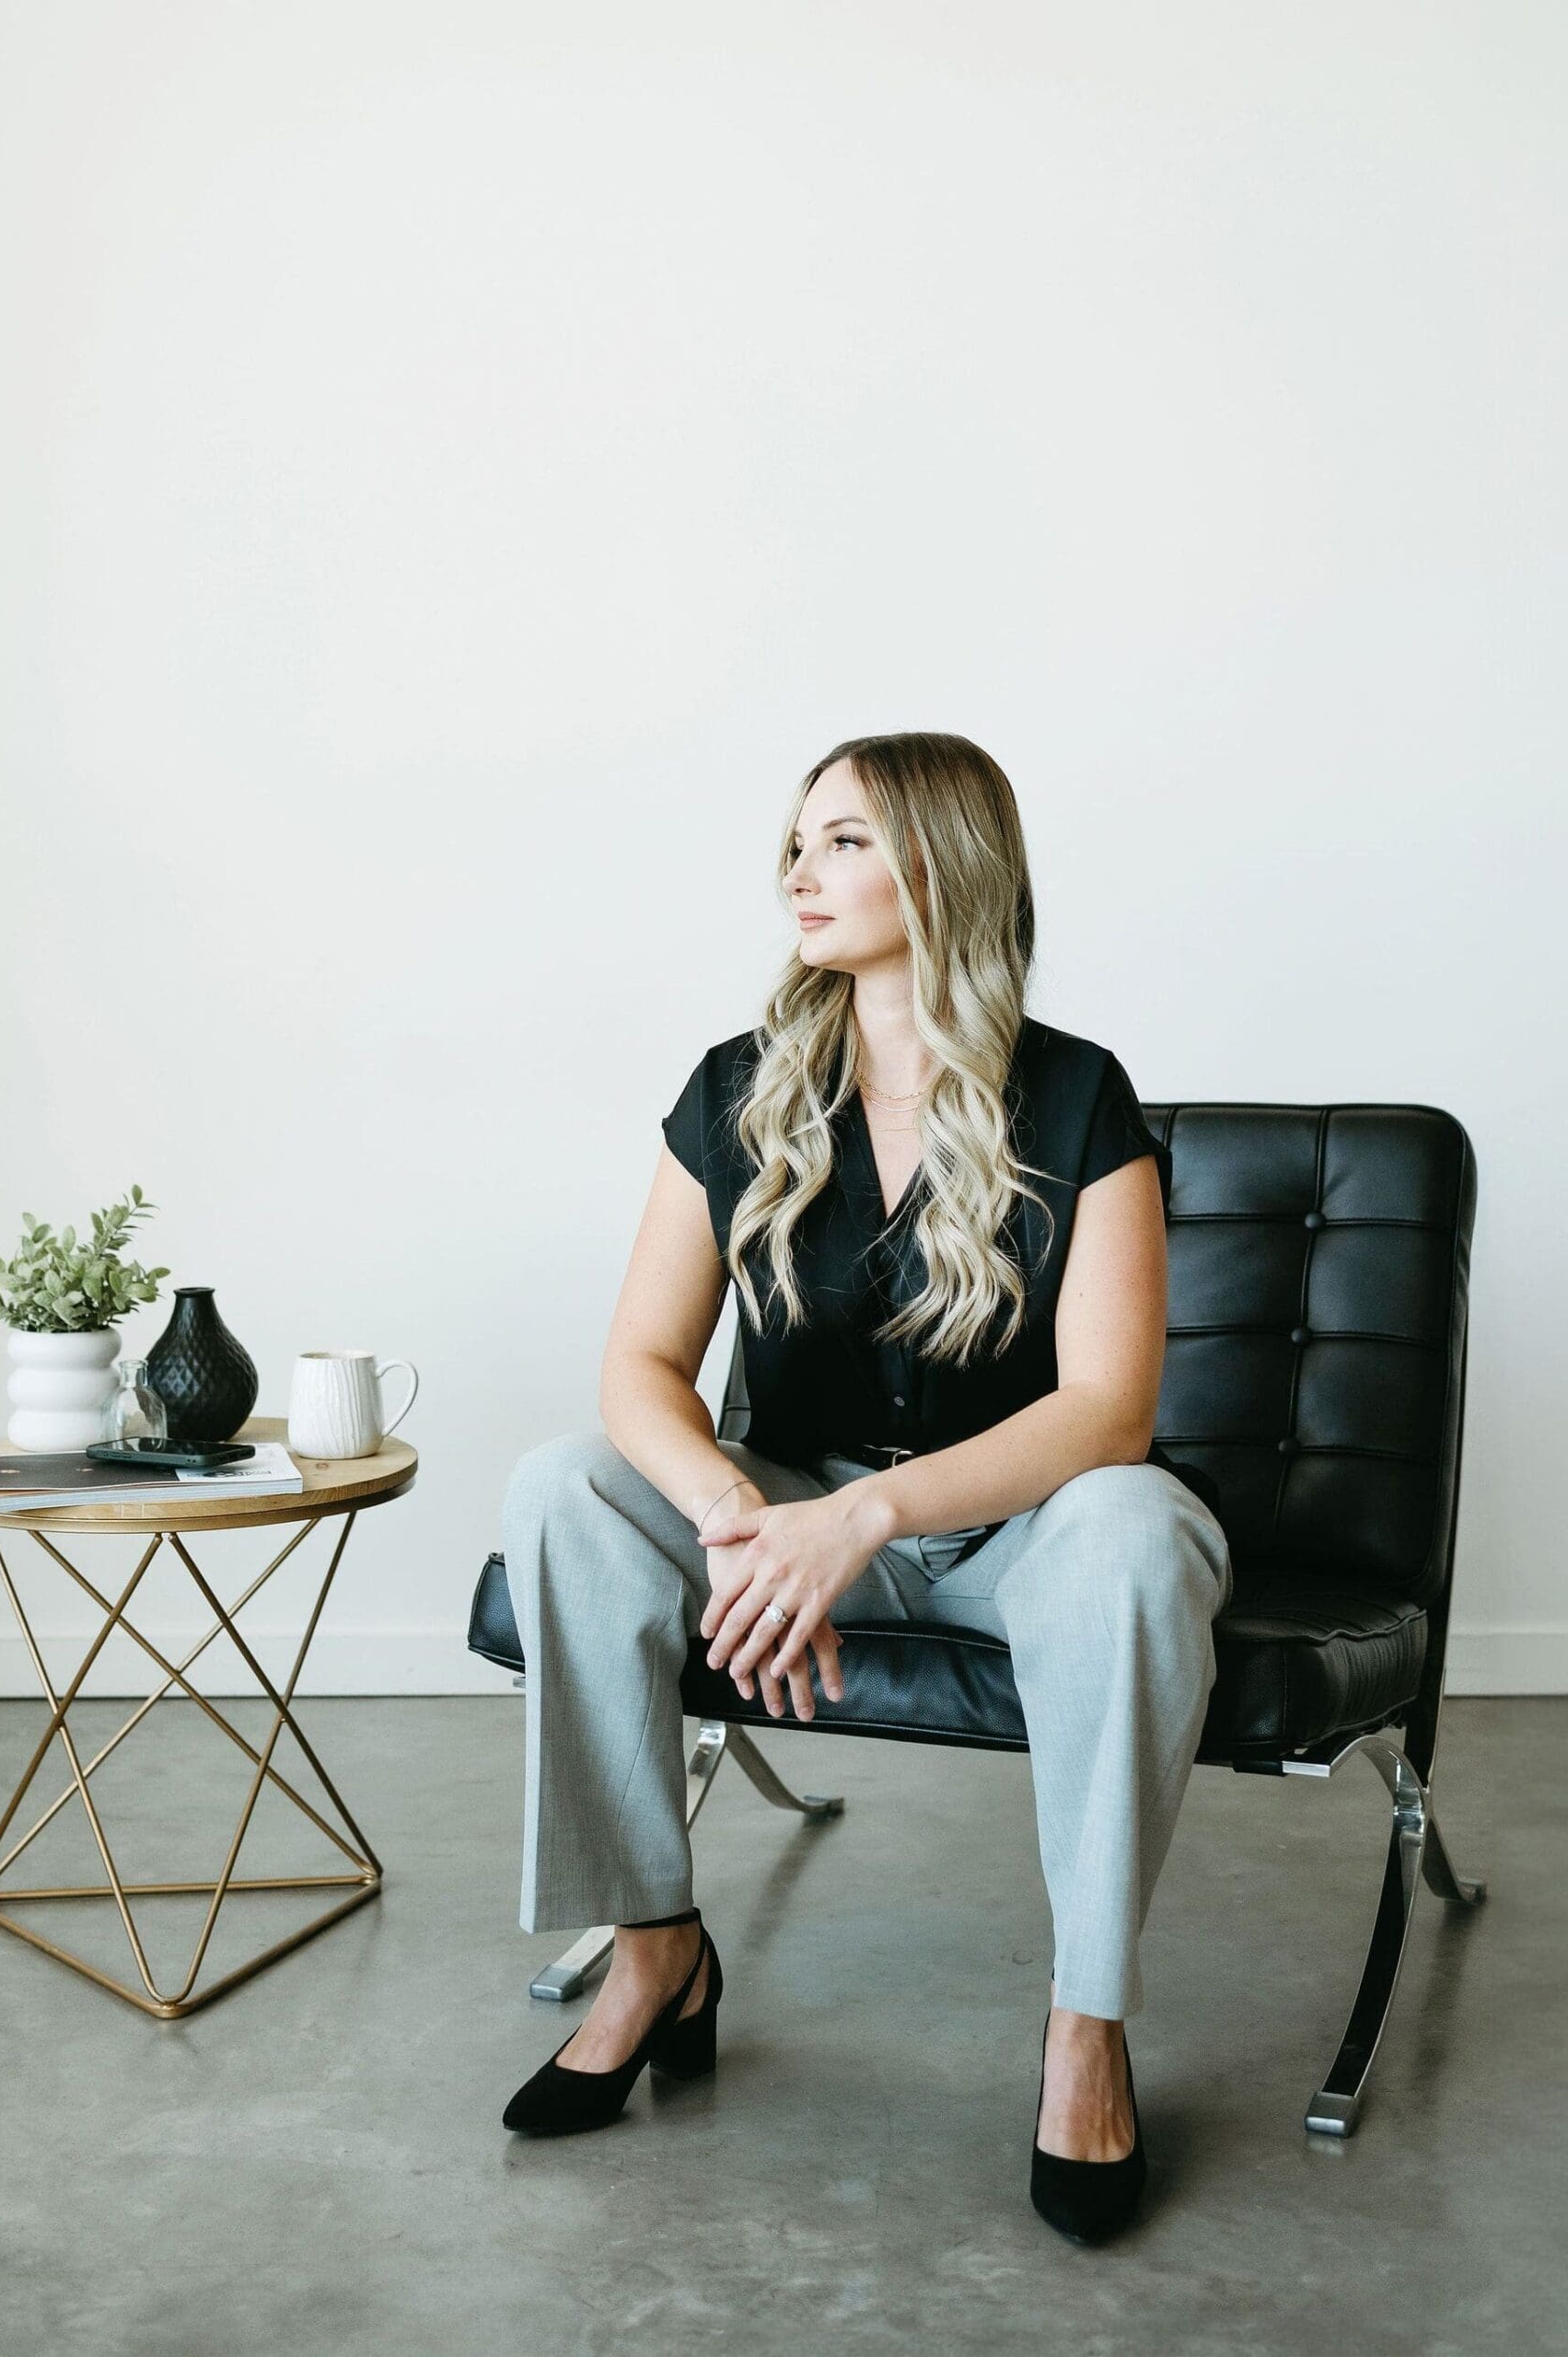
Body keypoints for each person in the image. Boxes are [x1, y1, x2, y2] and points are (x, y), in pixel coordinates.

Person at [497, 731, 1233, 2243]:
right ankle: (652, 1945)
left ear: (939, 866)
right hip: (784, 1510)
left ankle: (1085, 2026)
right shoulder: (735, 1091)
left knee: (1141, 1533)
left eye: (840, 840)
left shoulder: (1081, 1099)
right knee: (567, 1486)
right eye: (794, 838)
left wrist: (865, 1517)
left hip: (1021, 1526)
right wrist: (734, 1516)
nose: (796, 869)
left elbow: (1107, 1409)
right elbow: (638, 1366)